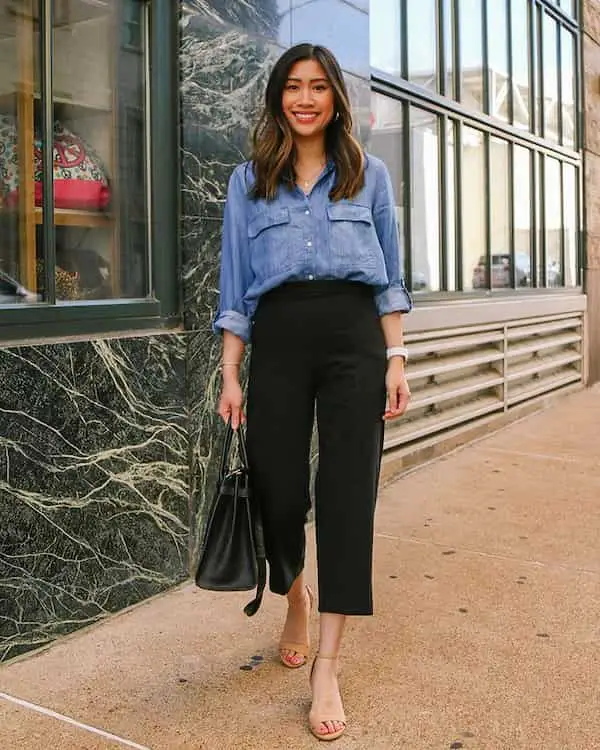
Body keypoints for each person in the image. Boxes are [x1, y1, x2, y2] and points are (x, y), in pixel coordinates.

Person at [214, 42, 412, 741]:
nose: (305, 99)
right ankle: (294, 591)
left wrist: (395, 357)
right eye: (293, 87)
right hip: (280, 340)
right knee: (277, 490)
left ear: (336, 100)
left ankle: (325, 667)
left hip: (356, 340)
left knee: (347, 499)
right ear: (278, 98)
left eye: (318, 87)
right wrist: (231, 372)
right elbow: (235, 285)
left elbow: (390, 277)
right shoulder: (249, 181)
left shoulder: (370, 174)